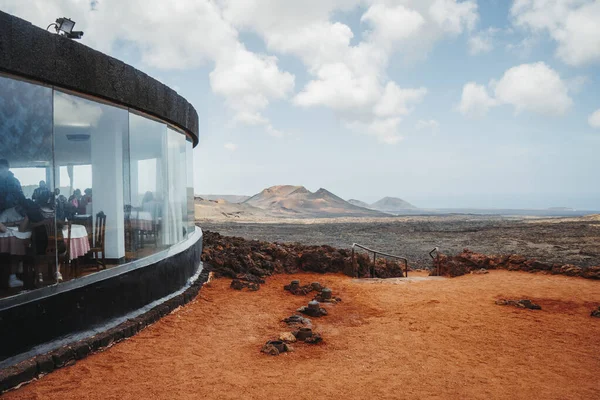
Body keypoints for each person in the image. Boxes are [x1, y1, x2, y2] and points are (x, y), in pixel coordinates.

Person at [0, 159, 26, 288]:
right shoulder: (13, 182)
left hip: (10, 217)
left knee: (12, 249)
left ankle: (13, 275)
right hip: (5, 218)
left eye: (2, 169)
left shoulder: (13, 182)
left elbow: (20, 200)